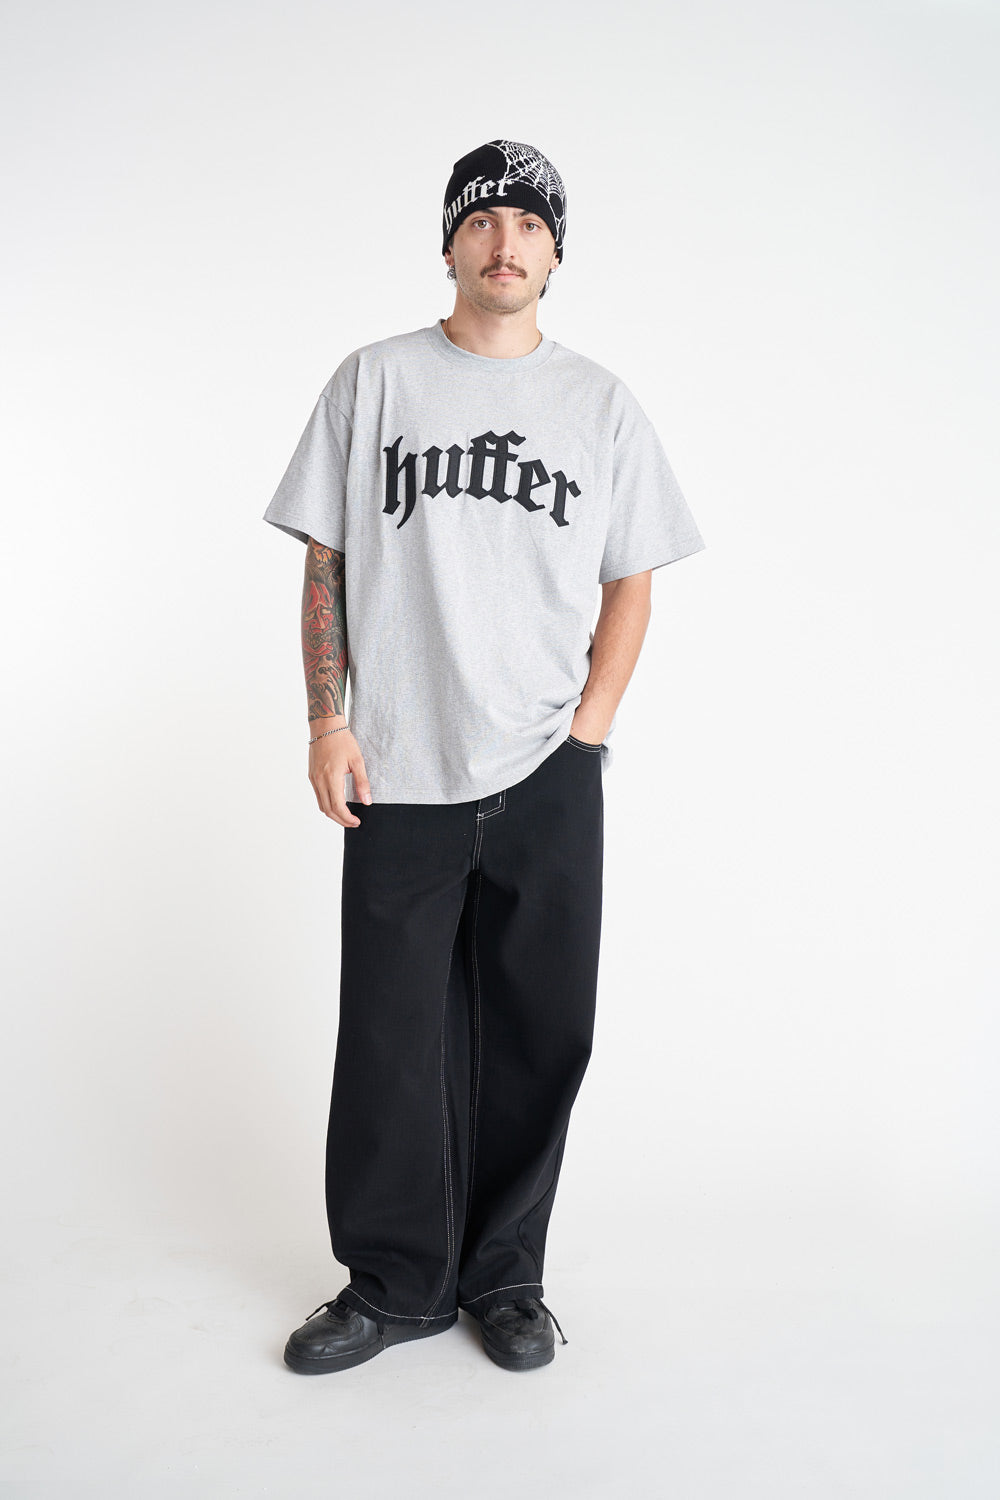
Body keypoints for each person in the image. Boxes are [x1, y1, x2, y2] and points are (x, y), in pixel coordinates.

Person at [263, 139, 706, 1375]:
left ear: (556, 254)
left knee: (538, 1032)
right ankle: (392, 1283)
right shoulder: (375, 382)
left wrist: (589, 729)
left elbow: (632, 577)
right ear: (449, 242)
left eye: (530, 225)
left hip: (547, 767)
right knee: (390, 1040)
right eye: (483, 220)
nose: (505, 242)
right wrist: (327, 720)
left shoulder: (598, 404)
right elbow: (325, 561)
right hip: (398, 764)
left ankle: (505, 1278)